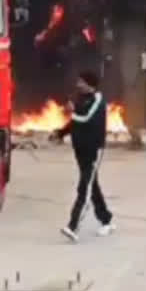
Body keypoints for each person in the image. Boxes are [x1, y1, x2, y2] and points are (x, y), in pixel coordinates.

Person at [52, 70, 114, 243]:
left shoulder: (98, 100)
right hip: (80, 150)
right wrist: (60, 133)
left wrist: (73, 110)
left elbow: (85, 117)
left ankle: (73, 226)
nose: (78, 84)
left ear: (90, 84)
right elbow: (75, 121)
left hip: (93, 150)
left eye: (81, 82)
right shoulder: (81, 98)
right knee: (91, 185)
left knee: (84, 188)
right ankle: (106, 219)